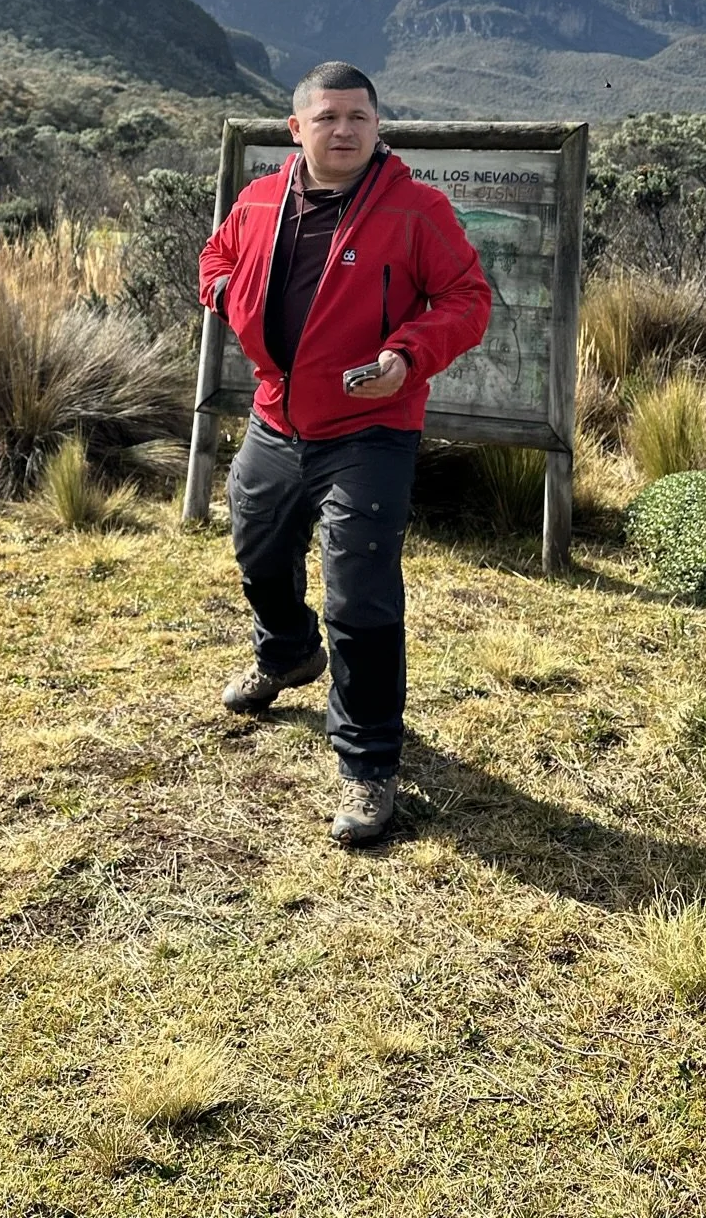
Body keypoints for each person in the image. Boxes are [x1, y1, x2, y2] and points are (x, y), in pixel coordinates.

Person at [198, 61, 493, 846]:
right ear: (297, 128)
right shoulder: (259, 199)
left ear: (376, 125)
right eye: (327, 117)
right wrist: (229, 296)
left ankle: (368, 763)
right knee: (257, 549)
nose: (345, 130)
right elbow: (215, 260)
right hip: (275, 418)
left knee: (359, 594)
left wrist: (407, 355)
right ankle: (289, 654)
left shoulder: (415, 209)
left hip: (372, 429)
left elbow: (467, 300)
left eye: (359, 117)